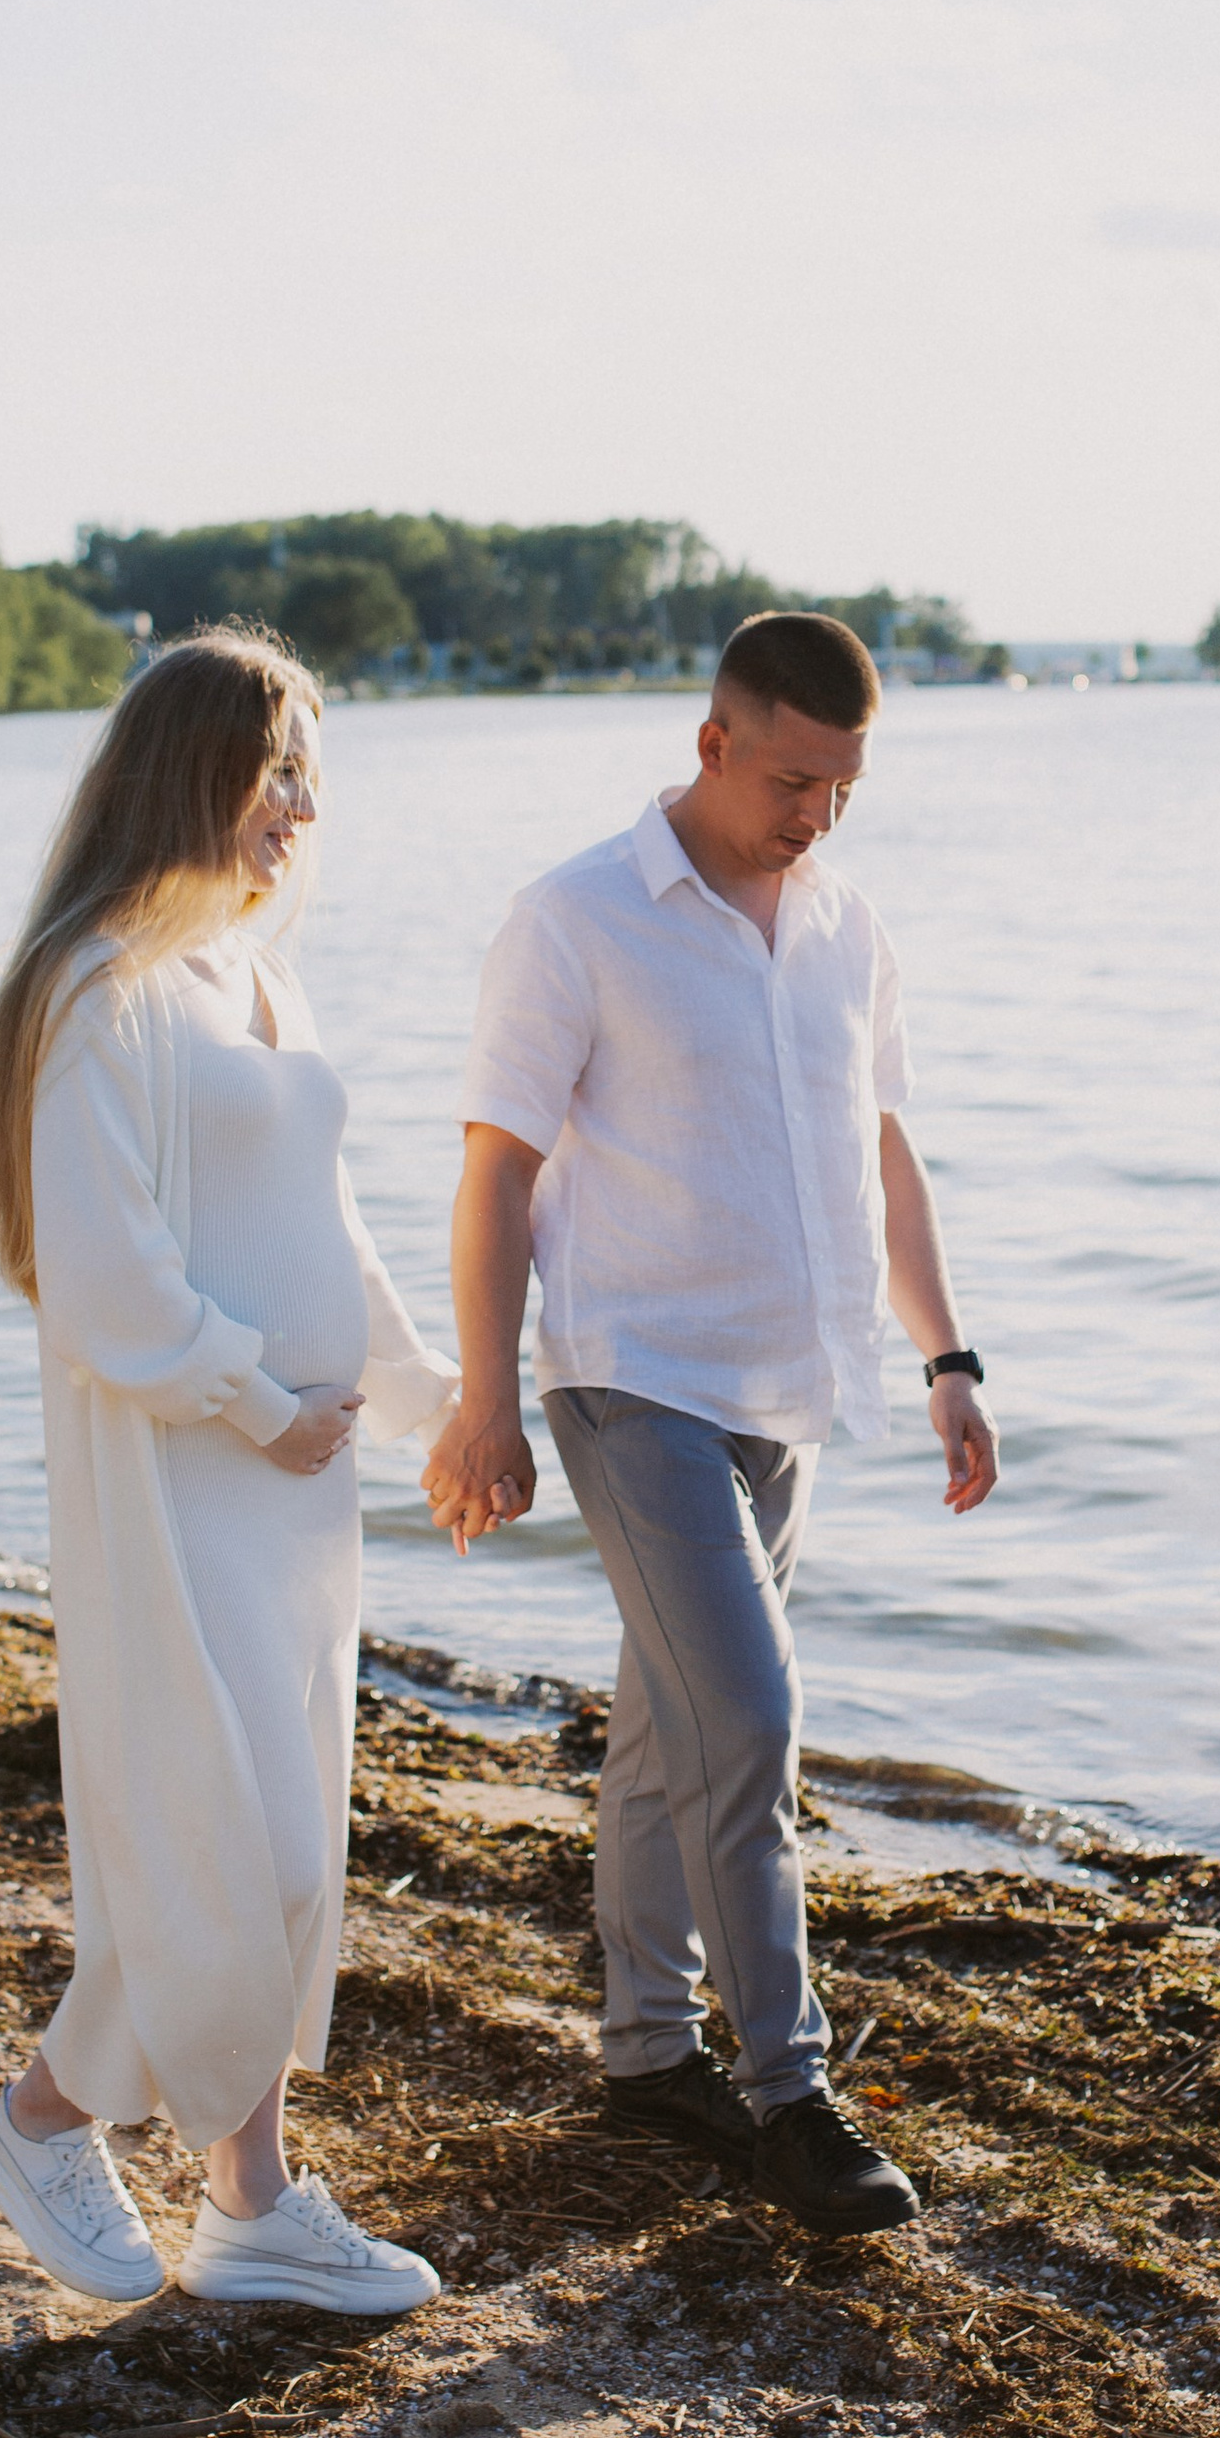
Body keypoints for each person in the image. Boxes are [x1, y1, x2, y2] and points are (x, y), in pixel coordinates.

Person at [422, 610, 999, 2237]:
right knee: (745, 1720)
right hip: (631, 1379)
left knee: (675, 1730)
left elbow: (883, 1158)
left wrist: (950, 1358)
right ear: (714, 742)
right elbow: (497, 1177)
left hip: (789, 1392)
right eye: (794, 779)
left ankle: (645, 2051)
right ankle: (788, 2096)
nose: (814, 815)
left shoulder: (844, 928)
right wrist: (485, 1404)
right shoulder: (576, 919)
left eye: (845, 787)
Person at [0, 626, 455, 2315]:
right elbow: (102, 1278)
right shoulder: (99, 989)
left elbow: (330, 1228)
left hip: (299, 1491)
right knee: (241, 1851)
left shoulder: (251, 973)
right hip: (189, 1481)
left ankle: (250, 2205)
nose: (301, 807)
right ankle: (42, 2118)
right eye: (276, 768)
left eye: (311, 772)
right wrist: (255, 1398)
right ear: (191, 773)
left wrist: (426, 1402)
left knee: (289, 1835)